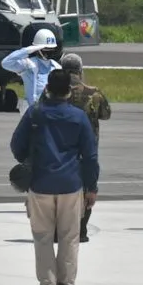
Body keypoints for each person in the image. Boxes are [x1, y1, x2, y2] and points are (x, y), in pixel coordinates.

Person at [10, 69, 99, 285]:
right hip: (70, 184)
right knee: (70, 237)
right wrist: (91, 187)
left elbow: (16, 145)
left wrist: (27, 160)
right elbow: (90, 156)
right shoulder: (79, 116)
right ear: (69, 90)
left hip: (40, 184)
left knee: (42, 237)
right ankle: (66, 282)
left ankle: (47, 282)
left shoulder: (35, 113)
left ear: (47, 88)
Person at [53, 53, 111, 243]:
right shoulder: (93, 93)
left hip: (61, 148)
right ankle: (82, 229)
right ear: (80, 70)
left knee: (59, 189)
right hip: (87, 149)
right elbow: (106, 114)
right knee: (87, 188)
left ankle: (58, 230)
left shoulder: (54, 92)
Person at [1, 28, 61, 113]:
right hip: (32, 113)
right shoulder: (28, 64)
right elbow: (6, 63)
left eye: (51, 50)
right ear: (37, 49)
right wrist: (27, 50)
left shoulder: (57, 67)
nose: (48, 53)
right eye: (45, 50)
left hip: (51, 112)